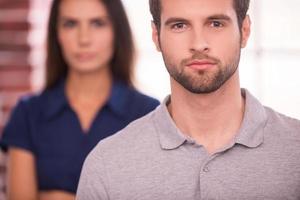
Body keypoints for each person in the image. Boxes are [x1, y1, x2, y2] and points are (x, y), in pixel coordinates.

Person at [76, 0, 300, 199]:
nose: (199, 44)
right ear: (156, 37)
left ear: (245, 29)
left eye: (215, 23)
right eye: (179, 25)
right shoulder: (107, 165)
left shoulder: (295, 149)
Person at [0, 0, 160, 199]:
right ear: (56, 33)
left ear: (116, 32)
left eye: (97, 23)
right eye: (70, 24)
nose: (84, 39)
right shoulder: (29, 113)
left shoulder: (150, 113)